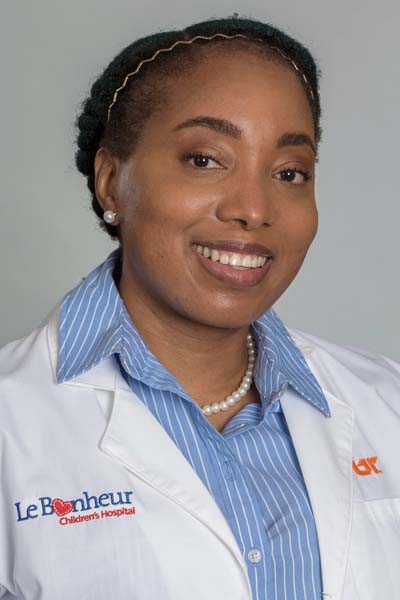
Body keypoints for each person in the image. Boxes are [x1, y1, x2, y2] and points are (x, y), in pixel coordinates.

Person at [0, 14, 399, 600]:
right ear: (110, 182)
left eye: (290, 172)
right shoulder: (12, 421)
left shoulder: (387, 403)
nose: (254, 209)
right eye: (205, 160)